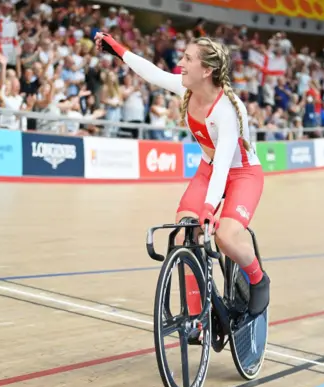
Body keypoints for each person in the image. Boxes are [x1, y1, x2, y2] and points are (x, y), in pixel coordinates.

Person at [95, 32, 270, 317]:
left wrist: (210, 209)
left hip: (241, 174)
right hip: (208, 169)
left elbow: (225, 163)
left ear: (207, 70)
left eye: (188, 59)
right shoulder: (187, 88)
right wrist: (118, 49)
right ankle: (197, 315)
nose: (181, 64)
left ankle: (258, 278)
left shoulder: (229, 109)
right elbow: (151, 72)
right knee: (182, 237)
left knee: (225, 236)